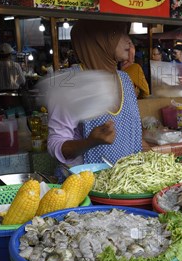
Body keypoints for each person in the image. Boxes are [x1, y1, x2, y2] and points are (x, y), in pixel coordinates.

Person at [47, 20, 145, 166]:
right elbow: (55, 145)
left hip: (128, 183)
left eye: (126, 33)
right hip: (88, 183)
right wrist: (90, 142)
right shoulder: (70, 82)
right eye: (117, 34)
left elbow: (131, 135)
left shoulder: (125, 80)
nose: (128, 41)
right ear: (98, 40)